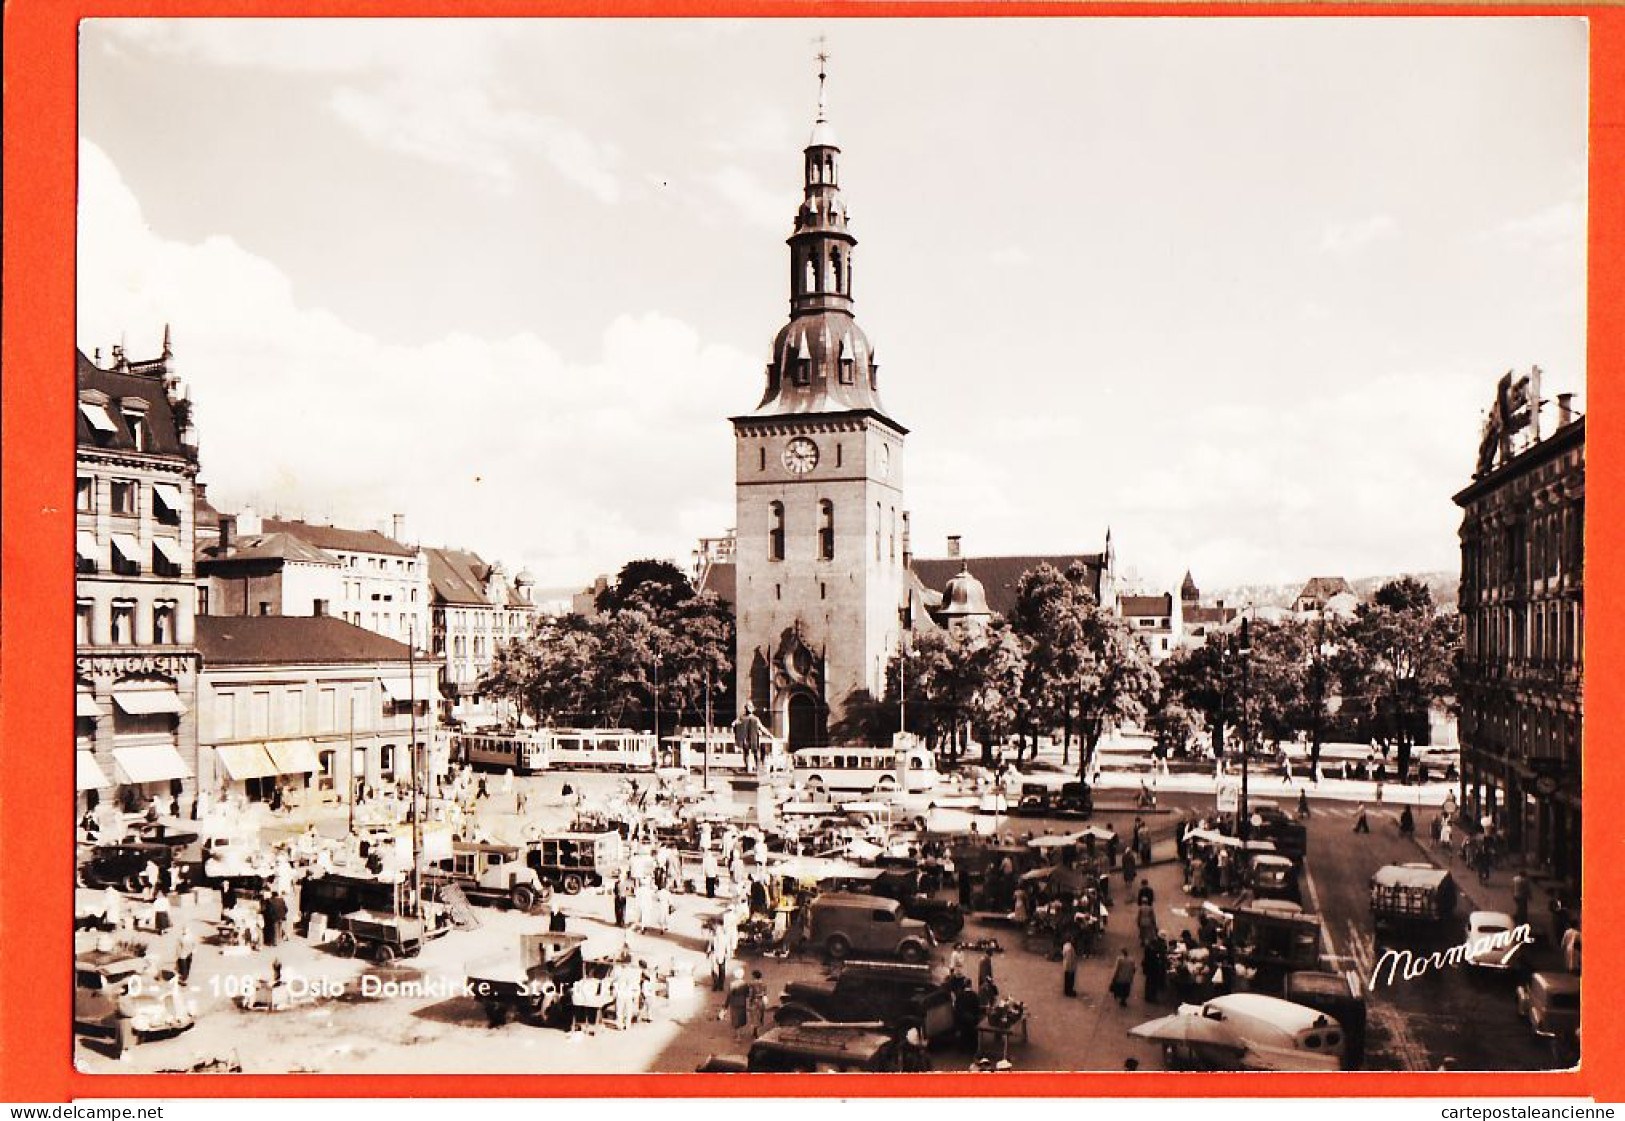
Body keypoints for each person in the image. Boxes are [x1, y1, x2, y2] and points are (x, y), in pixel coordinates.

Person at [733, 703, 766, 772]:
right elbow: (734, 724)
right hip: (749, 739)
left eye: (750, 707)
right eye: (747, 707)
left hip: (751, 739)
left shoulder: (752, 719)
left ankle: (754, 768)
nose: (748, 709)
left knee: (753, 753)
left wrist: (769, 735)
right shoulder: (743, 718)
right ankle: (750, 768)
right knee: (749, 753)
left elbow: (761, 728)